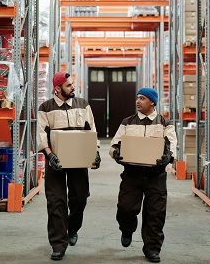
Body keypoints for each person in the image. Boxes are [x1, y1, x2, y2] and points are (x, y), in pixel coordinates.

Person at [37, 72, 101, 261]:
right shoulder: (46, 107)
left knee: (80, 198)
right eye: (68, 86)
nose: (73, 88)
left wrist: (94, 152)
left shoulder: (83, 105)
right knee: (56, 202)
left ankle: (72, 228)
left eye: (72, 84)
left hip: (78, 160)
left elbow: (92, 129)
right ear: (57, 89)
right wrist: (50, 155)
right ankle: (58, 244)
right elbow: (41, 134)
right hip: (55, 161)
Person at [109, 87, 177, 263]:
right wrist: (116, 152)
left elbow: (171, 145)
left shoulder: (165, 123)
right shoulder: (127, 122)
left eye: (142, 98)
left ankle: (152, 248)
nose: (138, 101)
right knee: (126, 208)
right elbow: (115, 143)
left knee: (155, 214)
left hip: (156, 176)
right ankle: (127, 228)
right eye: (137, 98)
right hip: (132, 174)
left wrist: (167, 158)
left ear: (152, 102)